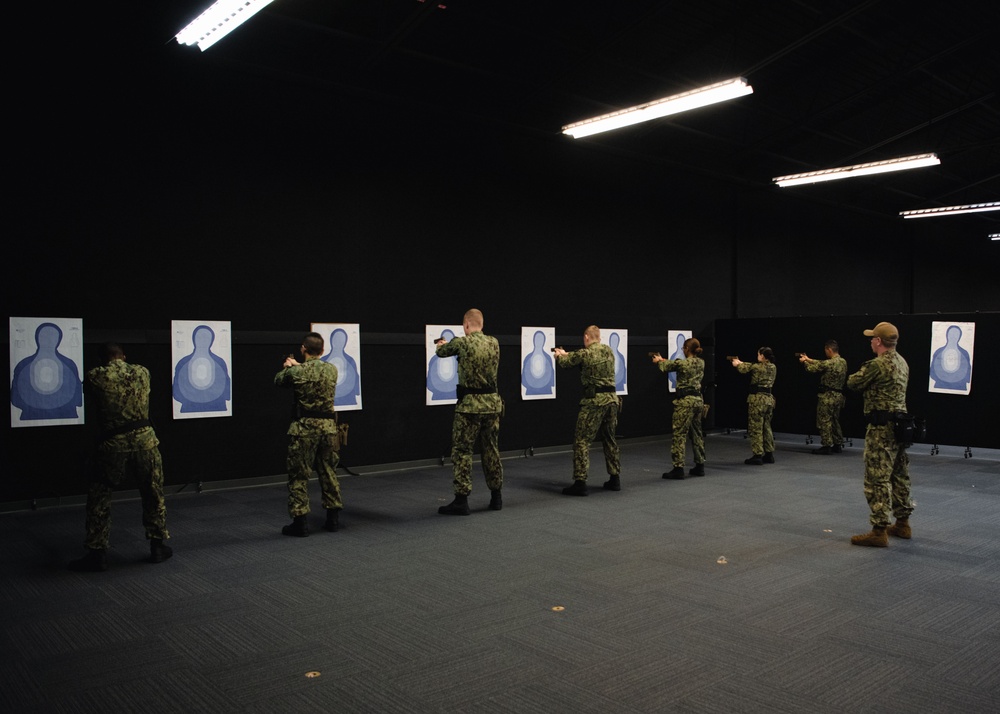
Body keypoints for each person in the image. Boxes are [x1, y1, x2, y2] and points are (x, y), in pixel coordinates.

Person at [69, 343, 170, 572]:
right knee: (153, 493)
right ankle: (157, 546)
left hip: (113, 444)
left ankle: (97, 553)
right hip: (146, 441)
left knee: (100, 497)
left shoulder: (96, 376)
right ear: (123, 356)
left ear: (103, 360)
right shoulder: (143, 372)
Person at [846, 322, 914, 547]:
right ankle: (902, 523)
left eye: (872, 338)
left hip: (881, 429)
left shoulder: (877, 365)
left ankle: (879, 530)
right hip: (900, 428)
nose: (870, 341)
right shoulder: (902, 362)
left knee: (877, 478)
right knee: (899, 474)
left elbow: (853, 382)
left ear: (878, 341)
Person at [435, 309, 504, 515]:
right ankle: (496, 496)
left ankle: (461, 500)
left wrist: (443, 344)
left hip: (469, 407)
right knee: (491, 450)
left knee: (463, 452)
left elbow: (441, 352)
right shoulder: (494, 343)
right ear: (481, 324)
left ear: (466, 325)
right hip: (492, 405)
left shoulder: (462, 343)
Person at [275, 332, 342, 536]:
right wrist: (299, 366)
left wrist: (288, 366)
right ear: (322, 351)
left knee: (299, 476)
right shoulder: (332, 370)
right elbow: (315, 373)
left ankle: (300, 522)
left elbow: (278, 380)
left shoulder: (297, 372)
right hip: (328, 429)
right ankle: (333, 519)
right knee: (328, 472)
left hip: (304, 429)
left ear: (303, 349)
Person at [554, 325, 622, 495]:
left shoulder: (585, 353)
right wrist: (567, 353)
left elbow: (567, 363)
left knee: (582, 441)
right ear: (598, 337)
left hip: (594, 402)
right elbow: (582, 357)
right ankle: (615, 479)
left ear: (586, 337)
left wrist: (558, 356)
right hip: (612, 401)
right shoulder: (608, 352)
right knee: (610, 439)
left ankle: (580, 482)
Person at [652, 337, 706, 478]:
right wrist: (663, 360)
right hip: (698, 401)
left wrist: (659, 361)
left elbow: (667, 367)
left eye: (683, 348)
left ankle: (678, 468)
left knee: (679, 434)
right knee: (697, 433)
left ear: (687, 349)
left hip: (685, 403)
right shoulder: (701, 362)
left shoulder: (683, 364)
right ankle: (700, 465)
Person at [798, 340, 847, 454]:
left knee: (824, 421)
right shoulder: (843, 362)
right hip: (838, 396)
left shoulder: (829, 363)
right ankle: (837, 443)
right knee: (835, 420)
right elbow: (821, 363)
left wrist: (804, 362)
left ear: (829, 350)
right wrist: (809, 359)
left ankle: (826, 445)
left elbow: (814, 368)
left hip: (827, 396)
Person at [731, 347, 777, 465]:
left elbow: (744, 368)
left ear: (762, 356)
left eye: (758, 354)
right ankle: (769, 453)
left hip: (757, 400)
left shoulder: (757, 367)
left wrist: (737, 364)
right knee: (766, 427)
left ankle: (757, 454)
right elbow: (751, 365)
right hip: (768, 400)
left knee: (756, 427)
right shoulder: (773, 367)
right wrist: (742, 362)